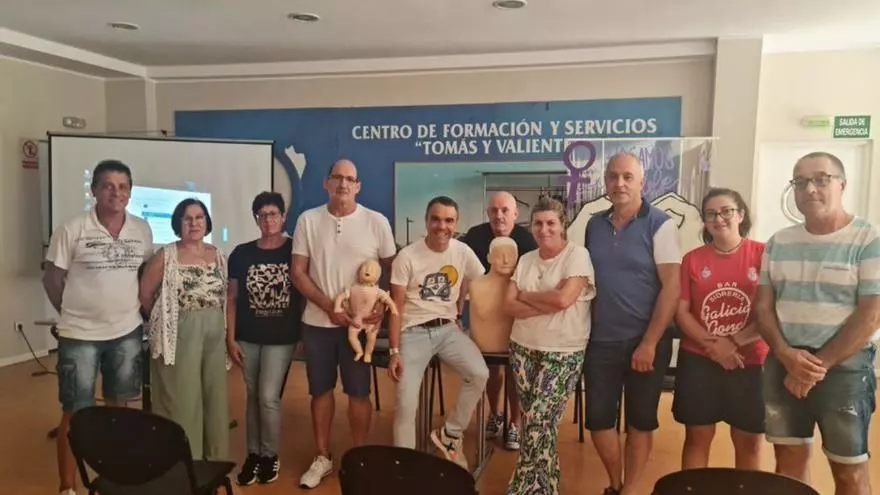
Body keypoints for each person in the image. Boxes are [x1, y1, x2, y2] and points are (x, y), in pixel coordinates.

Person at [757, 152, 880, 495]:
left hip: (843, 370)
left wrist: (815, 367)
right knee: (788, 468)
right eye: (800, 182)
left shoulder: (867, 240)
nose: (810, 189)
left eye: (821, 179)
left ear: (842, 185)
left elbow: (871, 314)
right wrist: (785, 355)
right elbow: (763, 308)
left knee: (849, 472)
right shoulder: (778, 242)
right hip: (784, 363)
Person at [43, 160, 153, 495]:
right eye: (108, 186)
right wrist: (72, 314)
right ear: (94, 190)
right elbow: (52, 279)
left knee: (119, 410)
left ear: (130, 192)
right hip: (79, 336)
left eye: (123, 187)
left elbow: (143, 275)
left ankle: (115, 478)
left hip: (127, 333)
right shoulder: (72, 228)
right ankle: (67, 487)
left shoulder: (142, 229)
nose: (116, 193)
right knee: (75, 412)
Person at [291, 159, 396, 489]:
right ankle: (322, 457)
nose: (343, 184)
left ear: (358, 186)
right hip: (317, 323)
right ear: (326, 183)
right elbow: (298, 273)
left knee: (359, 393)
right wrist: (329, 307)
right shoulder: (308, 220)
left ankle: (359, 458)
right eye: (337, 177)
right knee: (320, 391)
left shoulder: (377, 222)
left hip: (360, 328)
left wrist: (382, 307)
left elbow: (394, 271)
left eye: (350, 179)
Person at [584, 152, 681, 495]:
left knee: (640, 422)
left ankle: (630, 490)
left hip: (646, 342)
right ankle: (615, 483)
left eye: (627, 177)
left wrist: (649, 343)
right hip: (601, 341)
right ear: (605, 182)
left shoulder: (661, 224)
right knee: (598, 420)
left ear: (642, 182)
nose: (619, 183)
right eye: (613, 176)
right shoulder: (594, 225)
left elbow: (672, 287)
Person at [387, 196, 489, 469]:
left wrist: (460, 304)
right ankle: (404, 468)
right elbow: (395, 307)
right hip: (412, 332)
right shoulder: (407, 256)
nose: (442, 226)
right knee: (406, 404)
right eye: (436, 219)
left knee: (479, 374)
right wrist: (394, 351)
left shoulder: (462, 251)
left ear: (456, 223)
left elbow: (477, 280)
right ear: (426, 221)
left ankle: (451, 434)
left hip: (448, 329)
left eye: (449, 220)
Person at [504, 197, 596, 494]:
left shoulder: (577, 256)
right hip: (522, 348)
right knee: (537, 424)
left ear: (562, 225)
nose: (544, 229)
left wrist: (526, 296)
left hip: (563, 352)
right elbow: (509, 305)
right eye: (538, 223)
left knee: (539, 421)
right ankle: (546, 487)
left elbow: (564, 299)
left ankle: (523, 488)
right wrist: (549, 300)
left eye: (551, 223)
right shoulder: (526, 260)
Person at [673, 188, 767, 471]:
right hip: (700, 359)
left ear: (741, 215)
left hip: (750, 361)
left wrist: (733, 343)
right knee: (697, 439)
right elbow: (682, 312)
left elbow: (771, 312)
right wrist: (714, 346)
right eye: (711, 214)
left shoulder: (763, 254)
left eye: (726, 211)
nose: (719, 219)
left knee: (749, 442)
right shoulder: (692, 259)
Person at [139, 198, 230, 461]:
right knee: (183, 399)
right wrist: (165, 322)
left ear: (206, 222)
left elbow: (225, 296)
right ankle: (187, 465)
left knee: (214, 397)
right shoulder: (166, 255)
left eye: (199, 217)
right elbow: (145, 294)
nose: (194, 223)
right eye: (187, 218)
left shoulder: (218, 255)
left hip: (214, 332)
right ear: (178, 223)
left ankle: (215, 463)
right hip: (180, 333)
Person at [227, 192, 304, 485]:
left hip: (281, 338)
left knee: (268, 397)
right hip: (248, 336)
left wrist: (303, 334)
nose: (268, 220)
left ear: (283, 218)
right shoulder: (241, 253)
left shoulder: (296, 251)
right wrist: (230, 338)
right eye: (262, 215)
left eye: (273, 214)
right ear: (256, 219)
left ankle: (269, 455)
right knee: (253, 396)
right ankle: (253, 454)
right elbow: (232, 298)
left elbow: (304, 296)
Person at [461, 191, 537, 450]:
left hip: (517, 318)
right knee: (492, 369)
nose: (499, 215)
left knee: (516, 371)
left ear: (516, 214)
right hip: (486, 320)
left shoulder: (527, 241)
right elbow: (463, 275)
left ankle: (515, 423)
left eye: (505, 210)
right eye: (494, 210)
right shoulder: (475, 237)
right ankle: (496, 415)